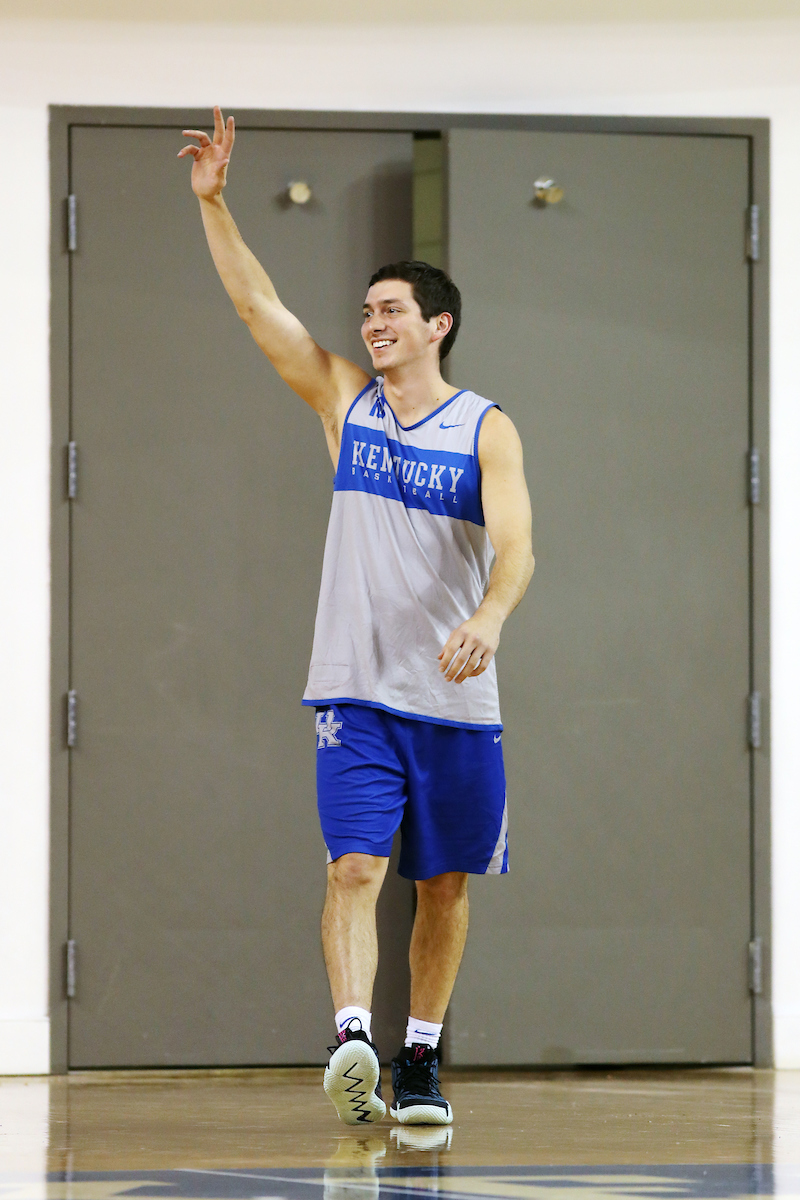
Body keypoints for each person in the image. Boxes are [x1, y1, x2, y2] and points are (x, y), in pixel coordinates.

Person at [179, 107, 535, 1127]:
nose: (371, 320)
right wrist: (214, 206)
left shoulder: (484, 429)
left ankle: (419, 1056)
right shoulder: (347, 406)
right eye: (366, 308)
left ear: (437, 324)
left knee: (441, 890)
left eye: (392, 309)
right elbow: (261, 310)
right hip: (355, 691)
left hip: (456, 699)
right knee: (352, 866)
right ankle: (353, 1043)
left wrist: (492, 617)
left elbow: (515, 545)